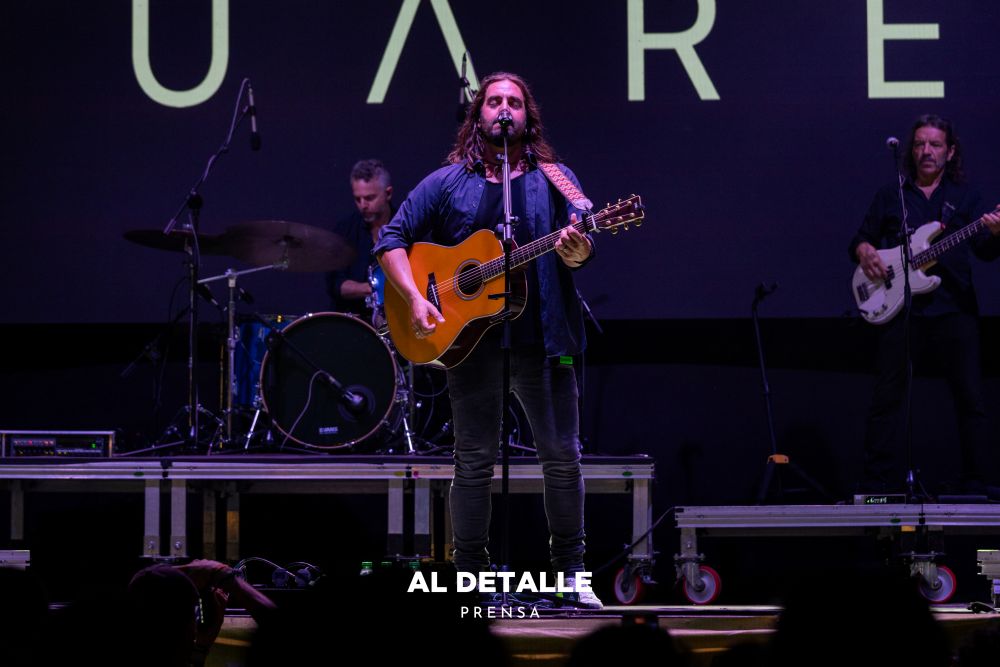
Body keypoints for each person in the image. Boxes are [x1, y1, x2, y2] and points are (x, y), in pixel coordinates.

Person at [374, 71, 601, 607]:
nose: (504, 109)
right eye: (494, 101)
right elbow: (392, 238)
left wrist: (579, 249)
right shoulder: (449, 182)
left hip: (544, 342)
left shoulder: (555, 177)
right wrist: (416, 297)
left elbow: (582, 238)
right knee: (472, 462)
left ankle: (571, 574)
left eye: (514, 102)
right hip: (471, 347)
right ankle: (468, 577)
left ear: (528, 116)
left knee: (561, 458)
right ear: (478, 116)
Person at [849, 113, 1000, 496]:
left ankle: (976, 481)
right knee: (887, 397)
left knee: (970, 397)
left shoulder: (967, 198)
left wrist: (995, 233)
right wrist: (865, 251)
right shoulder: (891, 195)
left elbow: (985, 251)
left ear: (950, 152)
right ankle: (876, 482)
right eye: (919, 144)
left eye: (934, 145)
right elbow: (861, 240)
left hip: (954, 308)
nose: (926, 151)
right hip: (903, 309)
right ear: (910, 150)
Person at [326, 159, 395, 319]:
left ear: (388, 193)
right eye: (358, 199)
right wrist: (377, 289)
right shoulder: (345, 230)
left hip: (399, 321)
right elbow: (336, 285)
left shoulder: (406, 226)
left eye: (370, 198)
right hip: (354, 324)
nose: (363, 205)